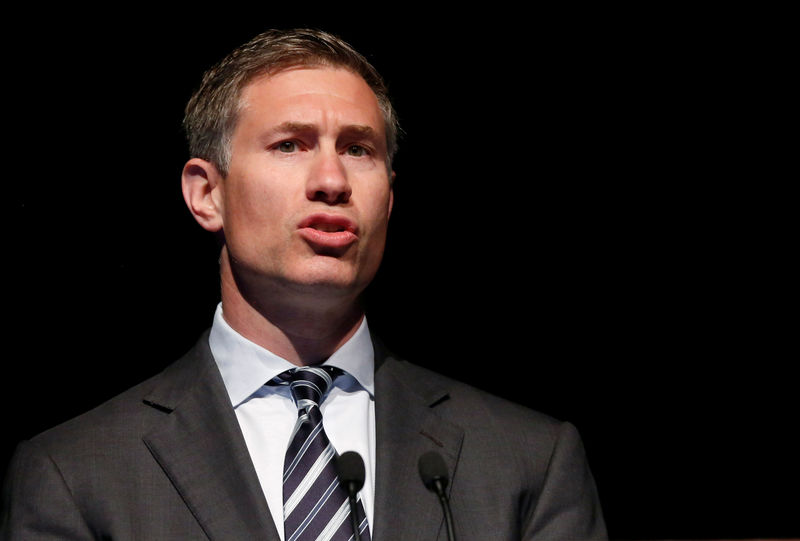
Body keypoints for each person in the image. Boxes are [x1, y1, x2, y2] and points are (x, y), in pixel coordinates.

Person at [1, 28, 607, 540]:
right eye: (289, 145)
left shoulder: (529, 461)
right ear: (207, 193)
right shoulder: (76, 473)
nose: (331, 180)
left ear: (389, 199)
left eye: (358, 149)